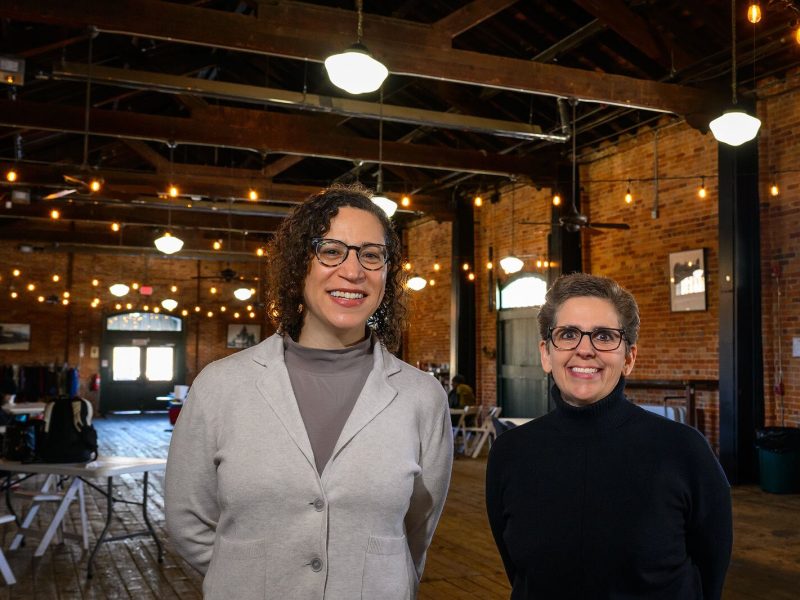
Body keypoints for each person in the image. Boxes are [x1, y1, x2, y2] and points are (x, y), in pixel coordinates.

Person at [165, 184, 453, 600]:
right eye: (331, 251)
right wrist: (252, 579)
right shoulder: (220, 386)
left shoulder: (421, 397)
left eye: (371, 255)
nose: (353, 271)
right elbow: (189, 519)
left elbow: (417, 529)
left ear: (387, 273)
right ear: (299, 262)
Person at [486, 273, 732, 600]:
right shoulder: (510, 453)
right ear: (546, 354)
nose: (585, 349)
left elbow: (710, 571)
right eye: (568, 334)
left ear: (629, 358)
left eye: (604, 336)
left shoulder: (684, 451)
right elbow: (523, 574)